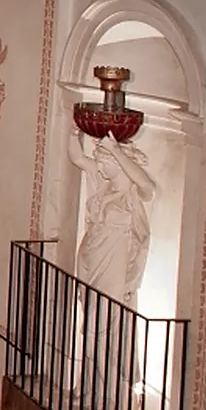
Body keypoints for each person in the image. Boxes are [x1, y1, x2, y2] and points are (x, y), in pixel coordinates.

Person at [67, 131, 157, 306]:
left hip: (115, 260)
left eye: (103, 163)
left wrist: (115, 150)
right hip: (90, 254)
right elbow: (77, 158)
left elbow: (148, 186)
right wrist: (73, 132)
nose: (99, 168)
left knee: (108, 307)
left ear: (117, 163)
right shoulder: (103, 182)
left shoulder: (133, 193)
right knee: (90, 305)